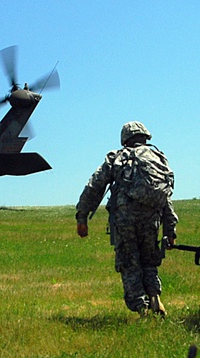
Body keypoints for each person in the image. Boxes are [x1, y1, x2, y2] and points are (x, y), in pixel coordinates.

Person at [76, 122, 178, 317]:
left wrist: (82, 215)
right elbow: (165, 196)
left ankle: (141, 308)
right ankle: (155, 296)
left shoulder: (117, 157)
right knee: (149, 260)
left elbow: (95, 186)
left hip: (125, 219)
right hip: (152, 219)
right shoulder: (159, 158)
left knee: (129, 261)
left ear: (125, 138)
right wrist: (170, 229)